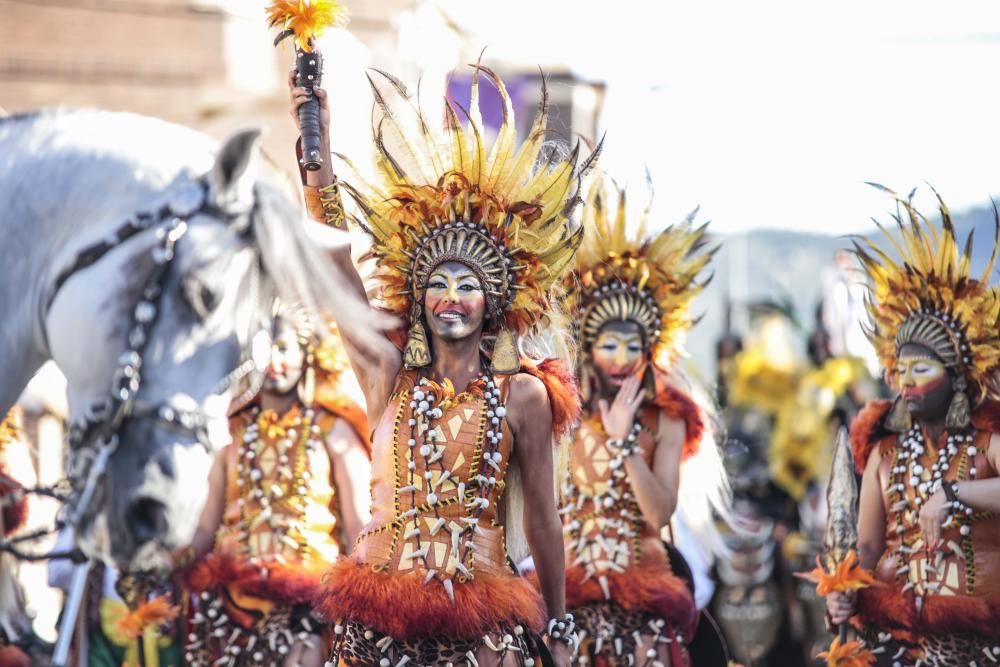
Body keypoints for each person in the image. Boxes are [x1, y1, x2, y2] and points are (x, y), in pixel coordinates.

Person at [290, 65, 597, 666]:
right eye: (437, 283)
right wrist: (316, 166)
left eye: (467, 285)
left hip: (480, 628)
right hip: (379, 623)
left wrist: (557, 625)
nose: (450, 297)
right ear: (419, 296)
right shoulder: (388, 373)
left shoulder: (522, 397)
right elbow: (337, 272)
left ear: (493, 304)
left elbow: (542, 519)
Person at [558, 182, 730, 665]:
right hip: (570, 588)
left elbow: (658, 513)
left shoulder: (666, 421)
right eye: (608, 346)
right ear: (588, 347)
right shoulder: (562, 412)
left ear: (648, 349)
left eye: (632, 347)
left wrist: (624, 443)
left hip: (643, 597)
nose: (620, 359)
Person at [826, 190, 1000, 664]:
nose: (907, 384)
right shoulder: (884, 455)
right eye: (901, 372)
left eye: (921, 371)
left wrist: (954, 494)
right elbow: (864, 550)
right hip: (903, 646)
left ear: (958, 376)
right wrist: (843, 593)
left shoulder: (988, 443)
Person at [178, 302, 370, 667]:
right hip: (233, 606)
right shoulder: (229, 432)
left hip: (308, 607)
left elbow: (360, 525)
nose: (273, 361)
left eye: (283, 348)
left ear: (307, 353)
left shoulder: (334, 430)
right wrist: (169, 560)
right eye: (262, 348)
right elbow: (206, 525)